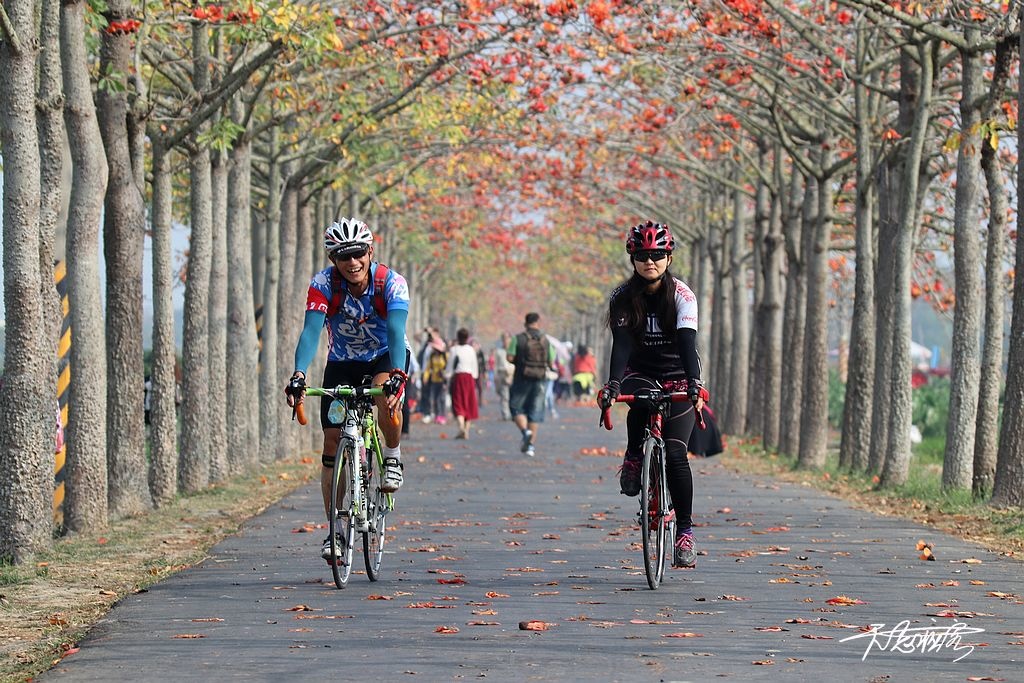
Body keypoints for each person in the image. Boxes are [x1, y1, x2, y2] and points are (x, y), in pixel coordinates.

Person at [284, 217, 410, 563]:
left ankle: (393, 457)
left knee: (384, 396)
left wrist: (398, 374)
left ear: (370, 251)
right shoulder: (323, 284)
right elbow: (310, 333)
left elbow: (397, 333)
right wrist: (298, 374)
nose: (352, 262)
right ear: (333, 260)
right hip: (343, 360)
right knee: (331, 439)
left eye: (357, 253)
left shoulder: (392, 284)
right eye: (343, 256)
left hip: (386, 355)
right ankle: (336, 529)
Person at [596, 220, 706, 569]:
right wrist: (613, 385)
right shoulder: (622, 298)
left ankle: (685, 532)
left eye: (658, 254)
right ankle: (633, 455)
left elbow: (688, 344)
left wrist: (694, 383)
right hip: (640, 372)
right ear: (633, 259)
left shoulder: (683, 296)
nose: (650, 261)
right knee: (640, 400)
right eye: (643, 255)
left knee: (675, 455)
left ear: (669, 258)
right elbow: (622, 346)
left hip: (677, 374)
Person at [507, 312, 555, 457]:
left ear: (525, 323)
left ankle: (525, 431)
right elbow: (551, 362)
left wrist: (520, 360)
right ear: (538, 323)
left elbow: (509, 357)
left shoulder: (517, 339)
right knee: (535, 412)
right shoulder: (546, 340)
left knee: (516, 408)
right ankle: (530, 447)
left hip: (521, 379)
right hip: (540, 380)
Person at [447, 328, 480, 439]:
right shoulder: (471, 350)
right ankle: (466, 430)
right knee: (469, 402)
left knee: (458, 402)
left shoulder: (454, 350)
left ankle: (461, 427)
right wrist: (474, 377)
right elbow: (474, 366)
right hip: (469, 378)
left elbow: (450, 366)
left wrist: (448, 375)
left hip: (458, 378)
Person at [421, 328, 448, 424]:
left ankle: (442, 415)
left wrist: (446, 375)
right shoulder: (432, 356)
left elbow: (448, 367)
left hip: (443, 380)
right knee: (435, 399)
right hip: (434, 380)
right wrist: (425, 377)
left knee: (442, 398)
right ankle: (437, 415)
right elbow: (428, 368)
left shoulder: (445, 356)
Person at [493, 334, 514, 420]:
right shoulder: (499, 351)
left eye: (507, 339)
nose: (506, 341)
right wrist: (496, 376)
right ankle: (506, 414)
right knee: (504, 395)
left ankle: (514, 413)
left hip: (512, 374)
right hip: (502, 374)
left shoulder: (514, 351)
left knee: (513, 395)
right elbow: (496, 365)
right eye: (504, 339)